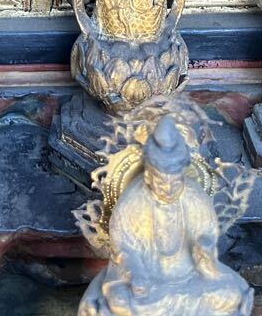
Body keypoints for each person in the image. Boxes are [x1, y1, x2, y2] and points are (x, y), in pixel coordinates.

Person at [80, 115, 253, 316]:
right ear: (148, 175)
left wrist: (204, 250)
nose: (169, 189)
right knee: (119, 300)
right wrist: (136, 275)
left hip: (191, 276)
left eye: (175, 182)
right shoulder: (134, 200)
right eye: (162, 182)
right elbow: (124, 247)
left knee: (230, 293)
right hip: (148, 279)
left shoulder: (194, 197)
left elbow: (207, 235)